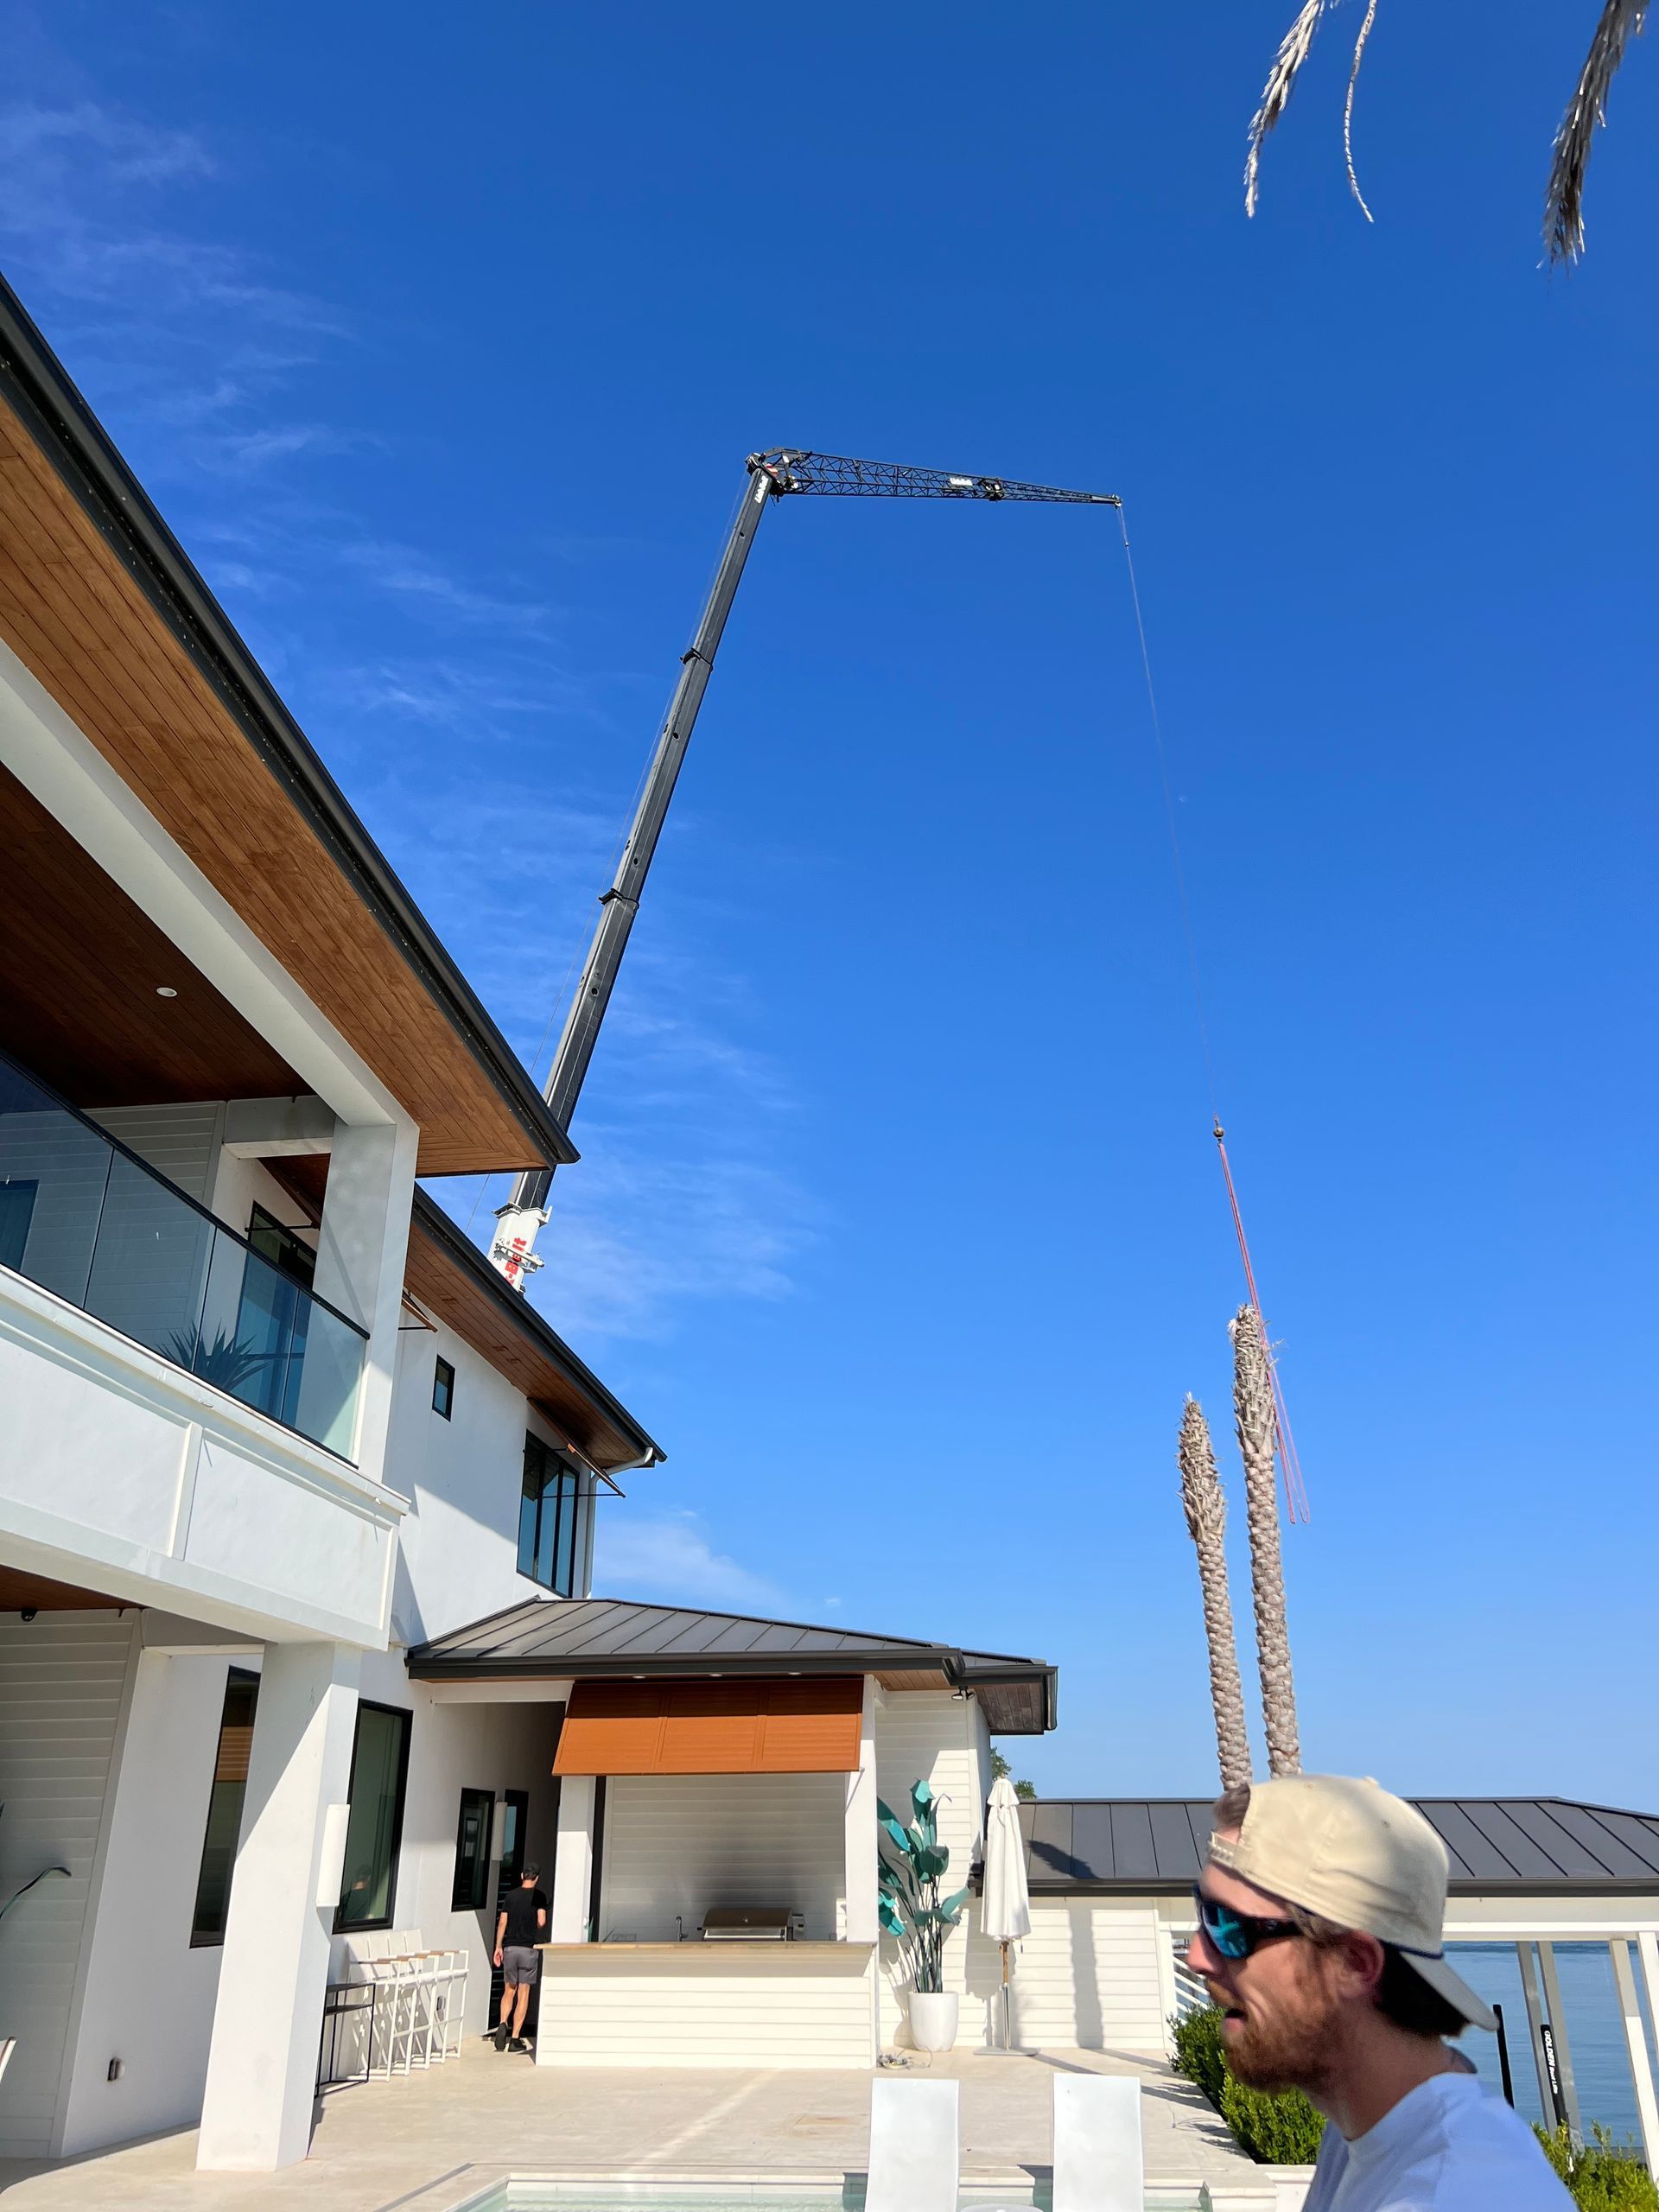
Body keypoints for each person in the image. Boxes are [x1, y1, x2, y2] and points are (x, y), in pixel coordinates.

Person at [1187, 1775, 1573, 2209]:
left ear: (1354, 1963)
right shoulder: (1364, 2129)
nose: (1197, 1956)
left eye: (1229, 1926)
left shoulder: (1459, 2194)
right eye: (1203, 1912)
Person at [488, 1862, 549, 2054]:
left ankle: (502, 2022)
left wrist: (498, 1947)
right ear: (537, 1878)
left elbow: (503, 1922)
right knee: (524, 1993)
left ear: (522, 1875)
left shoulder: (511, 1895)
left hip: (511, 1948)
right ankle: (515, 2038)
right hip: (528, 1949)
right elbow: (541, 1921)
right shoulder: (539, 1896)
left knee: (509, 1990)